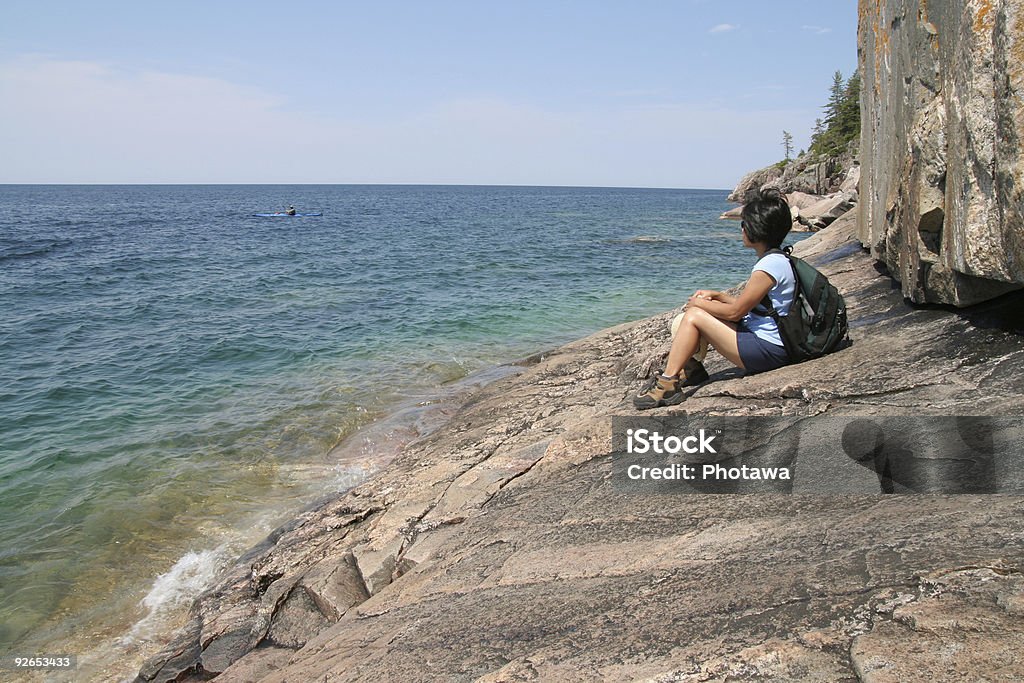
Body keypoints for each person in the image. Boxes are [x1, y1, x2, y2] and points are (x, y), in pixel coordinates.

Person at [634, 188, 795, 410]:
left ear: (755, 229)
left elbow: (735, 313)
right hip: (769, 342)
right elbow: (755, 307)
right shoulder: (777, 260)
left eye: (744, 224)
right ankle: (692, 370)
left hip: (769, 351)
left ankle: (667, 384)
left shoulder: (769, 266)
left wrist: (698, 304)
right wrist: (717, 296)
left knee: (693, 317)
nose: (742, 229)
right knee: (693, 316)